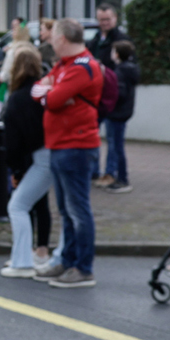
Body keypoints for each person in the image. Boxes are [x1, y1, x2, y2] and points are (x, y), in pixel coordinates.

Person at [37, 18, 103, 288]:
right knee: (67, 210)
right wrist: (50, 92)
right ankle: (68, 261)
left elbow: (51, 100)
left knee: (77, 210)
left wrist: (50, 93)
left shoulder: (82, 67)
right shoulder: (65, 65)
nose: (49, 41)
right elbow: (39, 90)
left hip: (75, 145)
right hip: (62, 144)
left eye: (53, 36)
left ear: (62, 39)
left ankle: (83, 268)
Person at [1, 48, 59, 278]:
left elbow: (14, 140)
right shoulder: (43, 91)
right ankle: (38, 254)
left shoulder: (17, 98)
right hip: (55, 152)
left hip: (39, 157)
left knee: (17, 206)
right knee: (41, 204)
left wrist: (16, 169)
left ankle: (22, 262)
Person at [101, 40, 139, 192]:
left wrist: (108, 101)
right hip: (122, 113)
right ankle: (120, 177)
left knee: (116, 147)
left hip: (116, 114)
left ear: (117, 54)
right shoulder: (129, 69)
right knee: (117, 146)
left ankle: (122, 179)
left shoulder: (120, 72)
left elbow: (119, 93)